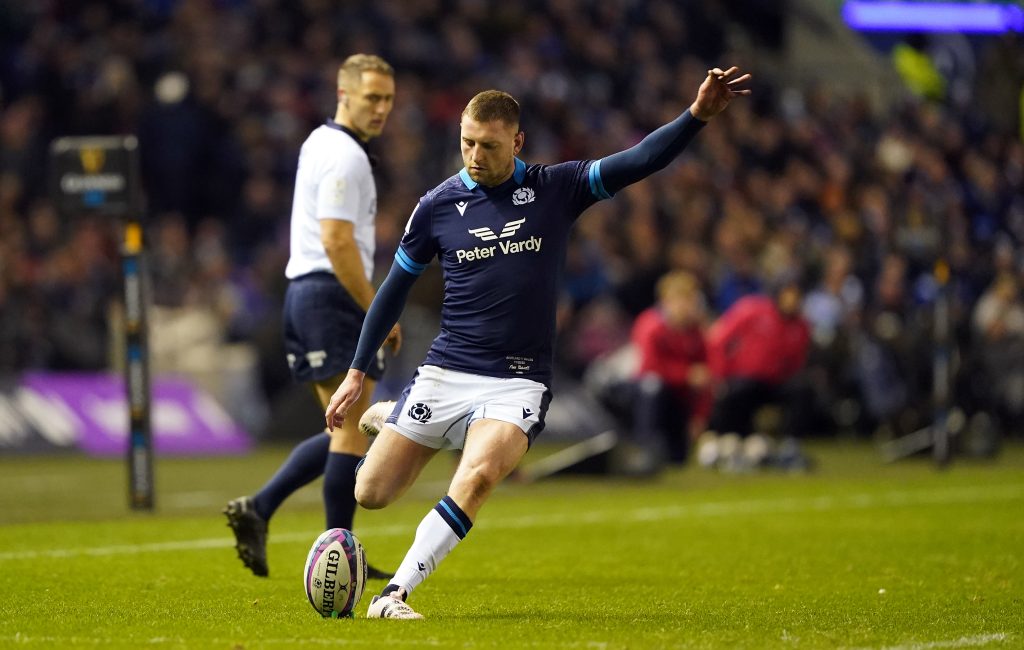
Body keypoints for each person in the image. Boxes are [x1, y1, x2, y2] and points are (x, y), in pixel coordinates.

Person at [326, 66, 751, 619]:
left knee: (476, 477)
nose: (474, 156)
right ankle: (395, 413)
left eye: (489, 145)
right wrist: (358, 372)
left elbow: (638, 159)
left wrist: (695, 117)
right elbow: (393, 289)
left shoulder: (555, 188)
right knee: (372, 494)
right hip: (447, 369)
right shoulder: (436, 206)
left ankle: (395, 594)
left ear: (517, 141)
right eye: (467, 142)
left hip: (518, 379)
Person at [223, 54, 401, 578]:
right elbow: (337, 239)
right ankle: (341, 556)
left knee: (341, 432)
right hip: (331, 296)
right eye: (372, 97)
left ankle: (261, 507)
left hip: (306, 293)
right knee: (349, 432)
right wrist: (377, 305)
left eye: (388, 99)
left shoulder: (319, 142)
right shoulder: (345, 156)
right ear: (343, 95)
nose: (382, 108)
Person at [702, 273, 811, 470]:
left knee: (801, 390)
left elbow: (797, 361)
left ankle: (790, 448)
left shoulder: (801, 325)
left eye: (796, 295)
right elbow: (718, 340)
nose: (792, 300)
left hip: (775, 383)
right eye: (788, 294)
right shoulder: (751, 310)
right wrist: (719, 375)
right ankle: (732, 447)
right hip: (745, 380)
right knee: (737, 393)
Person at [629, 270, 712, 464]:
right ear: (665, 301)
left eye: (688, 300)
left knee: (678, 459)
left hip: (678, 399)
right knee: (652, 386)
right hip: (642, 395)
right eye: (679, 300)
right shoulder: (650, 325)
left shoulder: (696, 332)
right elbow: (649, 366)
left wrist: (699, 416)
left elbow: (706, 376)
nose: (684, 306)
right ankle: (644, 450)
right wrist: (686, 375)